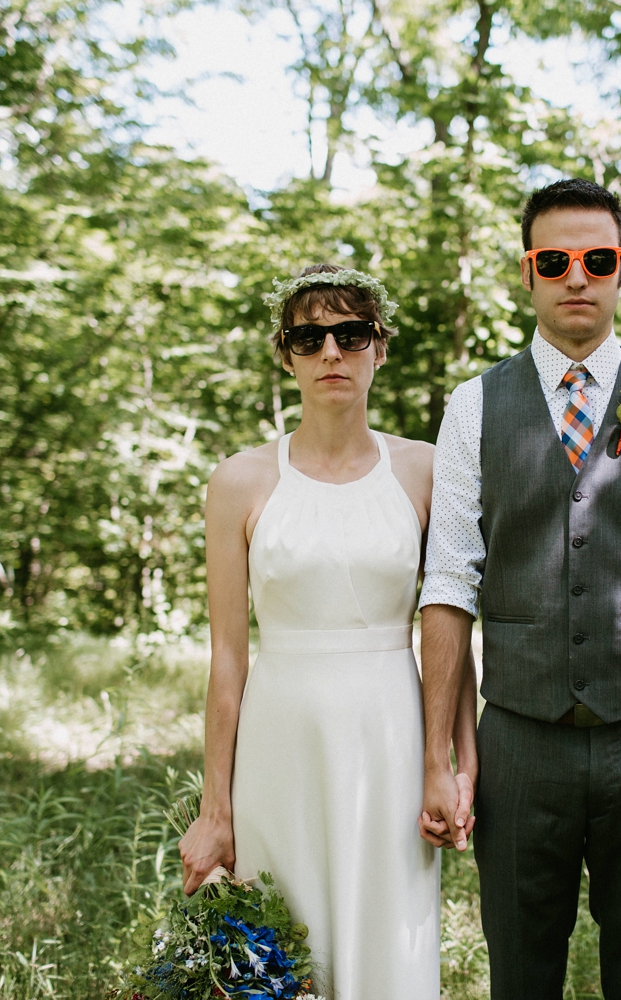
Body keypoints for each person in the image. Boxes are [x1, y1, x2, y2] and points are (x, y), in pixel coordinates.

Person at [418, 178, 621, 999]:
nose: (576, 276)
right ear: (526, 273)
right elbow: (450, 582)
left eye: (597, 259)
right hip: (518, 746)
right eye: (553, 259)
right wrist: (440, 758)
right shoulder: (474, 408)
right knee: (521, 976)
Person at [178, 264, 478, 999]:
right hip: (279, 742)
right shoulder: (240, 481)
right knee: (281, 946)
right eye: (309, 338)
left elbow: (453, 632)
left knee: (387, 940)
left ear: (381, 347)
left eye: (350, 334)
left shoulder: (430, 472)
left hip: (391, 734)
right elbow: (226, 658)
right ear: (286, 354)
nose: (331, 355)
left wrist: (461, 764)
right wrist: (215, 810)